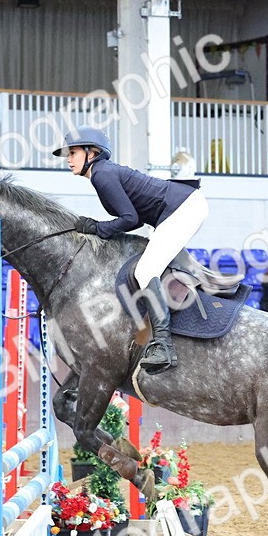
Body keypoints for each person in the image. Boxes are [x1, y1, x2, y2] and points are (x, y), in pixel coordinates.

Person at [55, 125, 208, 375]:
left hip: (183, 208)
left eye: (73, 153)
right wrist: (99, 227)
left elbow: (128, 218)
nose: (69, 160)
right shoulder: (102, 173)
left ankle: (163, 346)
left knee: (145, 271)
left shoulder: (101, 174)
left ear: (91, 153)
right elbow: (134, 220)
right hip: (180, 208)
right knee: (149, 267)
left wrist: (97, 227)